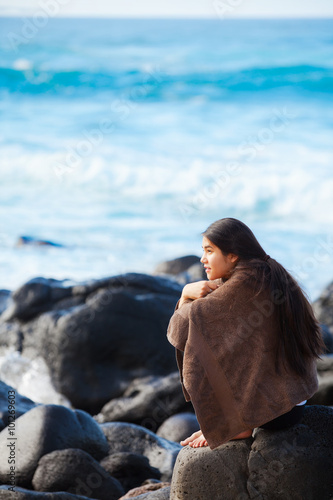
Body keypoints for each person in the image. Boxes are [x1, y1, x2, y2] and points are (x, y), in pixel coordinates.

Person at [167, 218, 325, 449]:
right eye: (203, 251)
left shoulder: (244, 285)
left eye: (209, 251)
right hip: (293, 401)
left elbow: (181, 326)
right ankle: (234, 421)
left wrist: (185, 294)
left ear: (232, 255)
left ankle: (238, 425)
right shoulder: (264, 273)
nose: (202, 259)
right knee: (223, 344)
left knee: (203, 339)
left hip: (277, 412)